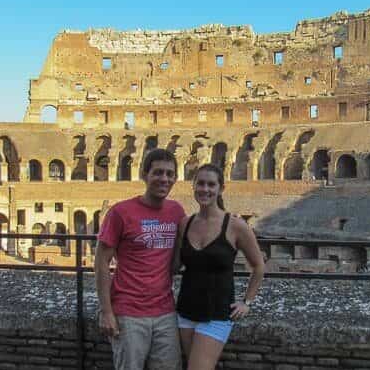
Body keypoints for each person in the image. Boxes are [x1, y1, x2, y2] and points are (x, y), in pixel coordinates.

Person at [95, 148, 186, 369]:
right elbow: (101, 263)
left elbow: (177, 259)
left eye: (169, 174)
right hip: (128, 312)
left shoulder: (176, 211)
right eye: (158, 173)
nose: (164, 179)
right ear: (144, 175)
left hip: (165, 311)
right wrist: (107, 311)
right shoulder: (120, 212)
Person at [175, 164, 265, 370]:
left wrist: (246, 302)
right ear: (193, 186)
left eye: (211, 184)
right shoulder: (185, 224)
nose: (205, 189)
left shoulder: (236, 226)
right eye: (200, 183)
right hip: (186, 310)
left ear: (221, 188)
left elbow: (258, 266)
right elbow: (175, 264)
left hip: (217, 313)